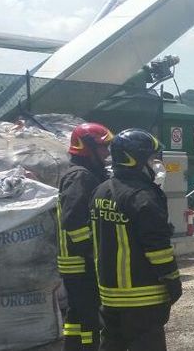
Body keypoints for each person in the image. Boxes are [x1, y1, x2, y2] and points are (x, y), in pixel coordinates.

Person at [90, 129, 181, 351]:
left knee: (112, 345)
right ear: (136, 159)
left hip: (109, 295)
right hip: (143, 297)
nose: (157, 165)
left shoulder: (100, 191)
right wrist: (173, 281)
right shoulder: (143, 196)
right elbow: (157, 248)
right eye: (152, 158)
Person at [57, 123, 114, 350]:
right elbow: (73, 221)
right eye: (103, 147)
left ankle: (72, 346)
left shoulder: (83, 173)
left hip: (74, 262)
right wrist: (91, 253)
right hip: (80, 262)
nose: (107, 153)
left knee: (76, 315)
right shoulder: (80, 176)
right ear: (88, 146)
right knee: (90, 317)